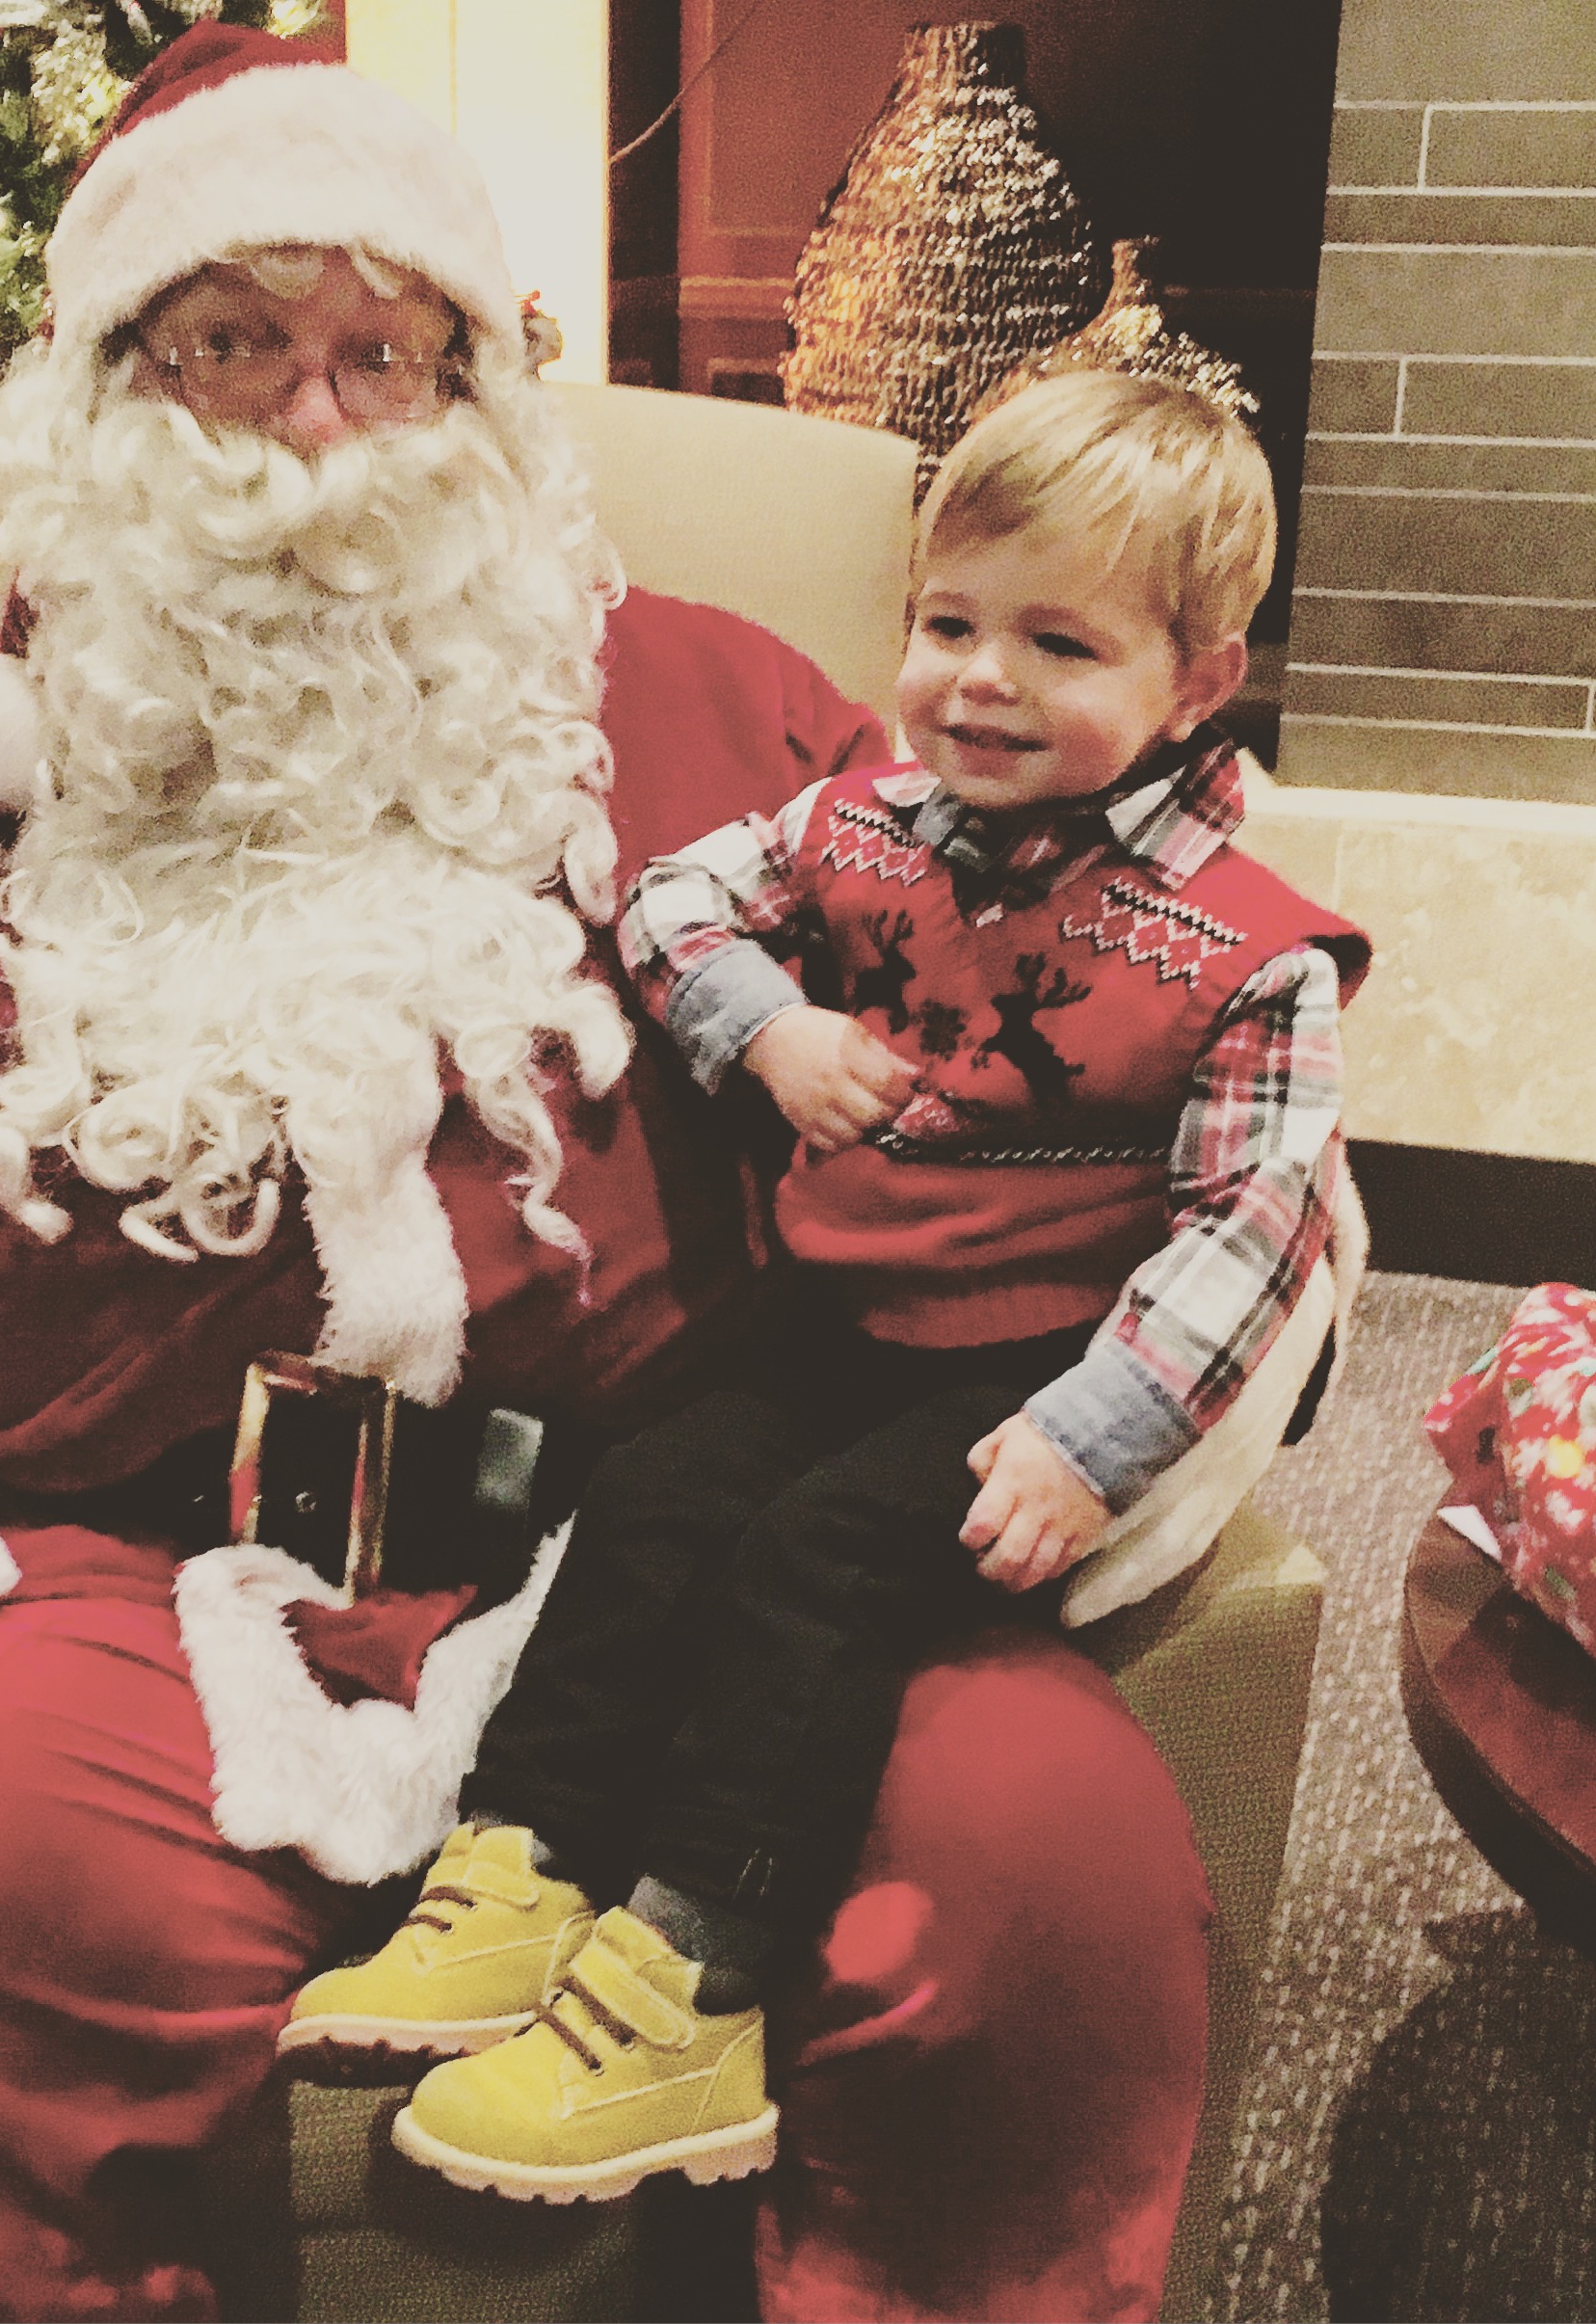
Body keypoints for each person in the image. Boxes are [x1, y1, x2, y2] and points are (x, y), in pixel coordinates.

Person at [0, 28, 1246, 2320]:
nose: (319, 430)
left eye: (384, 351)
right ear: (103, 395)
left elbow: (1068, 1036)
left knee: (1031, 1863)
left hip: (692, 1553)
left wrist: (1203, 1256)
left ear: (478, 394)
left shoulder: (736, 724)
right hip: (108, 1589)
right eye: (234, 345)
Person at [279, 371, 1371, 2211]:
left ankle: (693, 1983)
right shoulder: (864, 823)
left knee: (817, 1560)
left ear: (1196, 683)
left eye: (1059, 644)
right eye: (949, 625)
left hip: (1043, 1356)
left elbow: (1254, 1230)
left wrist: (1093, 1440)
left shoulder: (1253, 953)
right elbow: (670, 902)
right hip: (845, 1305)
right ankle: (529, 1861)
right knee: (652, 1491)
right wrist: (766, 1027)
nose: (981, 682)